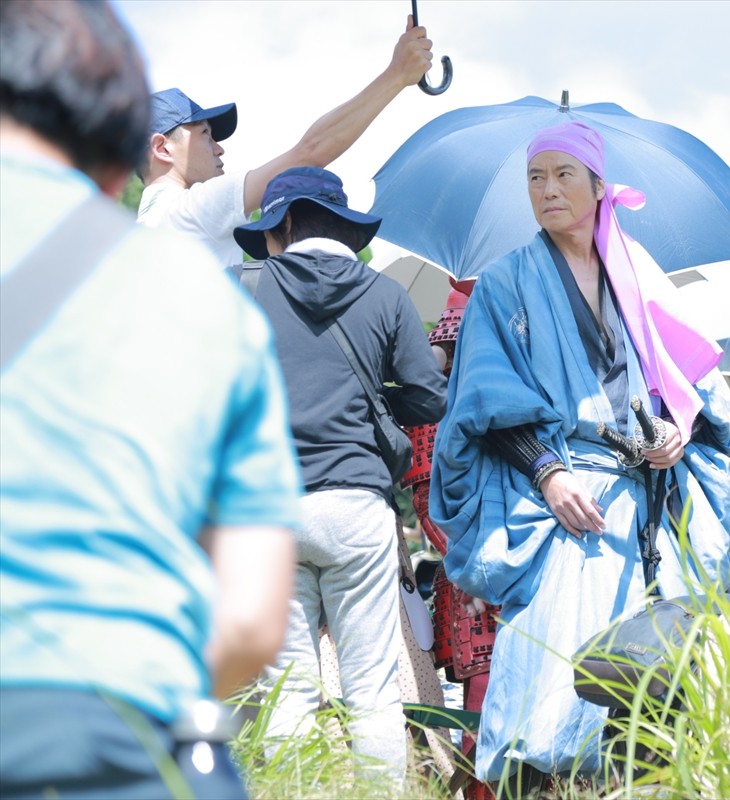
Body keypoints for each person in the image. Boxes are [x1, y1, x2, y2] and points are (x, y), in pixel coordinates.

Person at [0, 2, 301, 797]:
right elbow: (247, 621)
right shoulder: (200, 298)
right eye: (204, 132)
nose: (217, 143)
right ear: (131, 142)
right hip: (130, 733)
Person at [429, 121, 730, 789]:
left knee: (666, 688)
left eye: (563, 174)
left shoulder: (640, 277)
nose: (547, 189)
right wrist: (547, 472)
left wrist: (676, 431)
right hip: (564, 505)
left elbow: (692, 388)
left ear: (600, 187)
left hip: (647, 509)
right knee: (553, 688)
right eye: (535, 177)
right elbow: (482, 398)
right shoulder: (505, 282)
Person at [232, 167, 447, 783]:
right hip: (356, 506)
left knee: (288, 690)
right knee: (371, 687)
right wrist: (374, 400)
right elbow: (431, 399)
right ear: (340, 227)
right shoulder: (385, 295)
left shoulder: (241, 287)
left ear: (286, 223)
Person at [138, 16, 436, 267]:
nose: (219, 148)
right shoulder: (190, 211)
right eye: (205, 135)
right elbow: (309, 153)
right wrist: (396, 75)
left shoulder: (137, 236)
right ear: (162, 148)